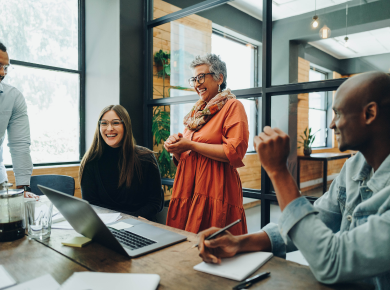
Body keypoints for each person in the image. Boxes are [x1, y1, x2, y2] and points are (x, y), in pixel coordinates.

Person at [197, 72, 390, 288]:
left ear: (370, 113)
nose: (332, 124)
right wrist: (239, 242)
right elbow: (315, 222)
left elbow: (333, 261)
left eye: (338, 113)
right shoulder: (353, 167)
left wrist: (279, 172)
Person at [164, 54, 249, 235]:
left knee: (215, 248)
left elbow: (234, 152)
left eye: (201, 77)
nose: (196, 84)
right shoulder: (196, 113)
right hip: (188, 189)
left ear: (220, 78)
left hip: (216, 190)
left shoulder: (233, 106)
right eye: (194, 79)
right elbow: (186, 157)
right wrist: (176, 148)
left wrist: (191, 145)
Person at [79, 105, 163, 221]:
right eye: (104, 123)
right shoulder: (90, 161)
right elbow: (92, 205)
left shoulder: (146, 158)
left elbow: (155, 203)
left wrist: (130, 220)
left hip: (139, 224)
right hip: (105, 226)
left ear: (126, 126)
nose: (109, 128)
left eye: (115, 123)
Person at [0, 41, 35, 198]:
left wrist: (23, 189)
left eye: (5, 67)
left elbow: (19, 144)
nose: (3, 73)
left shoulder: (13, 97)